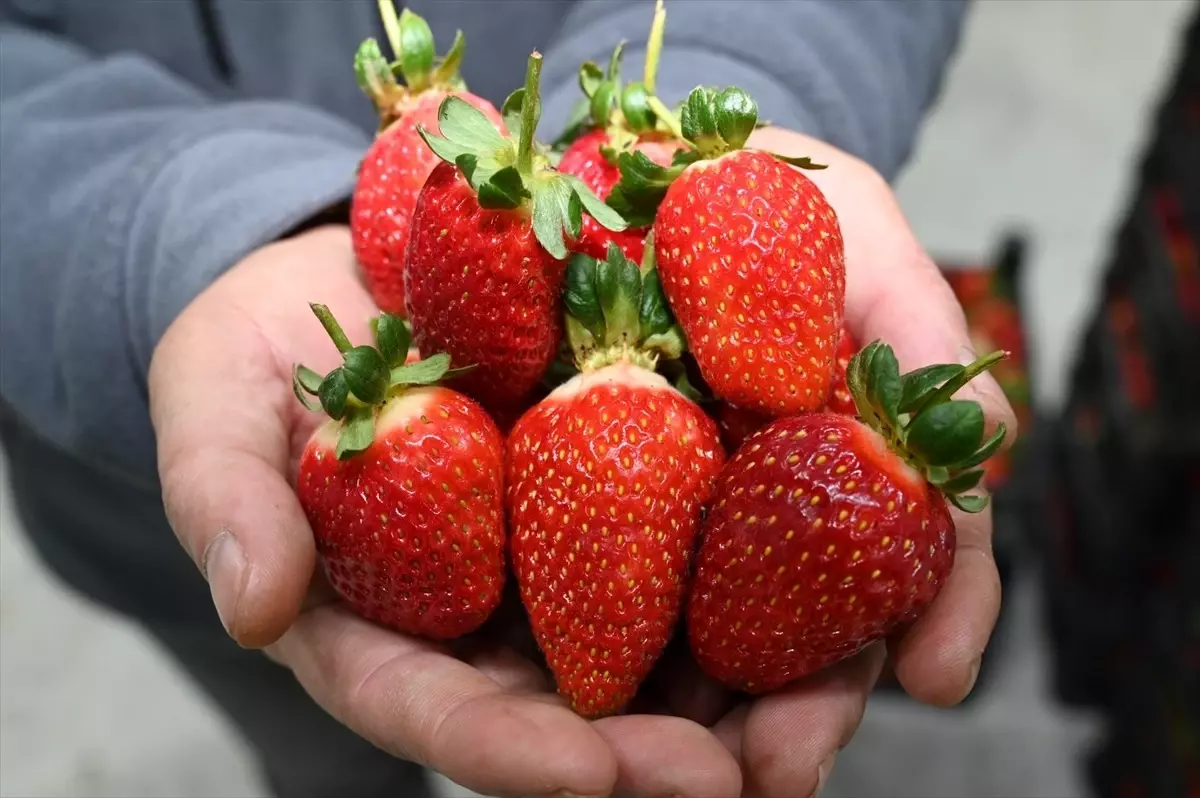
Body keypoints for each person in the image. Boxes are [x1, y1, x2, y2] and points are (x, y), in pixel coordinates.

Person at [0, 1, 1016, 796]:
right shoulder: (467, 231)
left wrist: (740, 71)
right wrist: (169, 241)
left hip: (588, 199)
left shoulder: (642, 217)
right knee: (311, 750)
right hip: (126, 484)